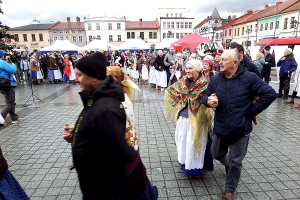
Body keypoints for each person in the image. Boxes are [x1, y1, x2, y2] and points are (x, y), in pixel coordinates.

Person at [201, 49, 276, 200]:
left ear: (235, 62)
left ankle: (229, 190)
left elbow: (270, 94)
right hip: (221, 126)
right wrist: (208, 101)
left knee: (236, 161)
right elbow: (205, 95)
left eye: (224, 60)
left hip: (240, 129)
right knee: (216, 153)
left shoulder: (249, 78)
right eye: (219, 59)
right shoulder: (216, 79)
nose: (219, 62)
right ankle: (230, 166)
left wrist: (251, 111)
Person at [62, 52, 137, 199]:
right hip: (96, 182)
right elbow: (101, 133)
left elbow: (120, 148)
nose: (76, 80)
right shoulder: (97, 99)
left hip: (103, 186)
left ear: (94, 77)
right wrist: (78, 134)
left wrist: (134, 162)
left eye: (79, 75)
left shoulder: (105, 108)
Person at [106, 66, 158, 200]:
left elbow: (121, 125)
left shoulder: (119, 97)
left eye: (107, 76)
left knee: (133, 176)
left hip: (125, 143)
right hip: (128, 142)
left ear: (116, 78)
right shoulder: (118, 93)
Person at [164, 59, 214, 178]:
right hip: (184, 118)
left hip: (198, 119)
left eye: (190, 68)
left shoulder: (206, 83)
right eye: (186, 68)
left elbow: (211, 98)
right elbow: (169, 91)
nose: (187, 71)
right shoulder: (183, 81)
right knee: (183, 141)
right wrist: (177, 104)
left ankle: (195, 170)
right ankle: (185, 164)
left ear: (198, 69)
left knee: (195, 143)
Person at [0, 51, 20, 125]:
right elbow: (12, 70)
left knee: (10, 101)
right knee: (10, 102)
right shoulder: (1, 62)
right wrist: (13, 65)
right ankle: (1, 119)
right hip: (6, 83)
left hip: (2, 84)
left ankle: (14, 118)